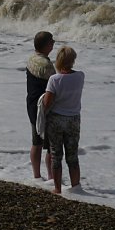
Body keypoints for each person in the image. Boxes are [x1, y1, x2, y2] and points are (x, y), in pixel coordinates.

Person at [42, 45, 84, 194]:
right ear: (73, 60)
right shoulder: (80, 76)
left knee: (56, 155)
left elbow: (47, 103)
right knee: (72, 155)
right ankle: (76, 186)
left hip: (57, 119)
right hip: (74, 118)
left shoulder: (54, 79)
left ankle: (58, 188)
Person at [26, 31, 56, 181]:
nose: (54, 43)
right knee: (50, 146)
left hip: (31, 104)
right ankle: (51, 177)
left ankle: (36, 176)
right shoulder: (46, 65)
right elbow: (54, 86)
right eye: (52, 41)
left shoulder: (31, 59)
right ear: (46, 45)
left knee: (36, 142)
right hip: (44, 107)